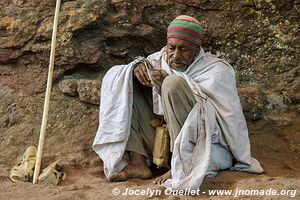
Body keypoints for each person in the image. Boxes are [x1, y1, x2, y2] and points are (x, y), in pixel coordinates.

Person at [93, 15, 263, 190]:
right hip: (160, 143)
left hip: (199, 145)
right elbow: (129, 75)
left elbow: (223, 121)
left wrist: (170, 84)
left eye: (183, 49)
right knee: (126, 79)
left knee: (173, 84)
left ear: (197, 49)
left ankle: (179, 166)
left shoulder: (217, 71)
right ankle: (138, 163)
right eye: (171, 48)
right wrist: (137, 70)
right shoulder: (158, 60)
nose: (175, 55)